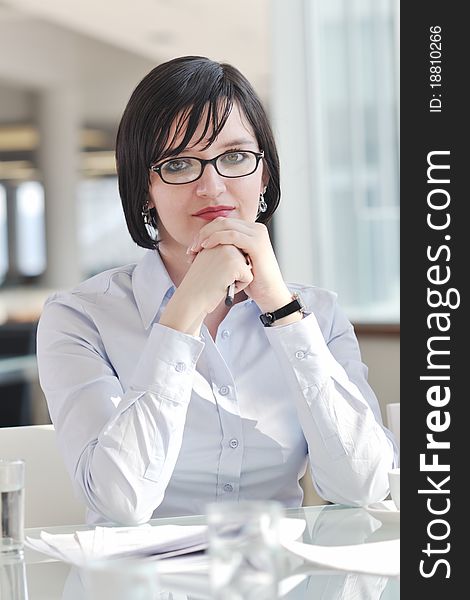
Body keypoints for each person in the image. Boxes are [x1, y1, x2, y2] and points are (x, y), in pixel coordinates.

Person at [37, 55, 398, 526]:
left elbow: (365, 486)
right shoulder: (80, 317)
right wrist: (182, 314)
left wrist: (282, 311)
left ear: (264, 175)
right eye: (180, 163)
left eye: (234, 157)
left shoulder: (317, 313)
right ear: (144, 187)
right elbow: (118, 502)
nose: (213, 185)